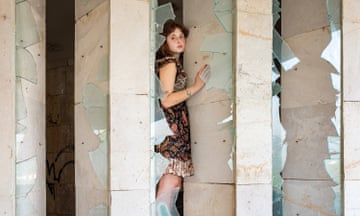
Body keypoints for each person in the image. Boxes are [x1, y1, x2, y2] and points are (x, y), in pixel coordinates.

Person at [154, 19, 210, 215]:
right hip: (171, 133)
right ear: (165, 42)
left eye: (181, 36)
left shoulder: (173, 63)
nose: (179, 40)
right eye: (173, 37)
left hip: (174, 132)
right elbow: (166, 100)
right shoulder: (169, 64)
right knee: (169, 186)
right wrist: (195, 87)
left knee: (174, 183)